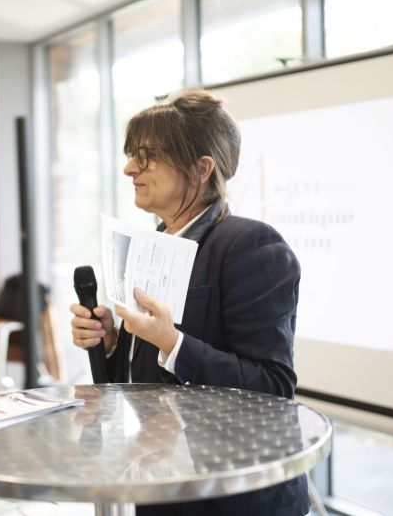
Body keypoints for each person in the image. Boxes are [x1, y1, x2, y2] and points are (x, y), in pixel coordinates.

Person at [70, 90, 307, 516]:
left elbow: (273, 386)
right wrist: (111, 344)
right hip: (163, 482)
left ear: (201, 169)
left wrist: (172, 343)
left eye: (146, 157)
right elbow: (145, 376)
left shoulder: (251, 245)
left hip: (231, 495)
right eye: (130, 156)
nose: (129, 169)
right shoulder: (154, 245)